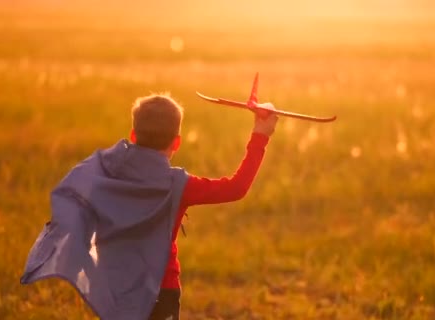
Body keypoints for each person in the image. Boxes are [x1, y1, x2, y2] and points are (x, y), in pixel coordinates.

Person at [20, 93, 278, 320]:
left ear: (133, 135)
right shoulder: (178, 184)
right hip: (162, 290)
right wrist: (260, 134)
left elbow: (77, 203)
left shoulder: (108, 171)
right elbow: (236, 188)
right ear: (176, 143)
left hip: (117, 286)